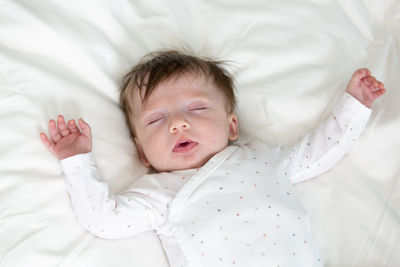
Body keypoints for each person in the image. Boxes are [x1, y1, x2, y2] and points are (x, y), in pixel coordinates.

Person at [40, 50, 386, 267]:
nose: (178, 123)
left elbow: (316, 153)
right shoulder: (159, 192)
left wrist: (354, 105)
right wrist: (77, 161)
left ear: (232, 125)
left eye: (197, 108)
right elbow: (104, 220)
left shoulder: (259, 158)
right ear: (142, 152)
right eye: (156, 119)